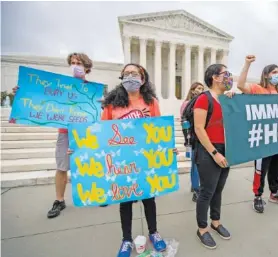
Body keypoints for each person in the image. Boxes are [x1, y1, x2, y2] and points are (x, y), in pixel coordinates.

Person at [12, 53, 108, 218]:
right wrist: (22, 92)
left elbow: (104, 111)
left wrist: (104, 103)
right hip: (65, 133)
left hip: (88, 133)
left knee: (93, 164)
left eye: (79, 63)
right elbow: (38, 96)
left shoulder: (95, 90)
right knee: (62, 166)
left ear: (87, 68)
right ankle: (59, 200)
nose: (75, 65)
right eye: (72, 62)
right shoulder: (61, 86)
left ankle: (97, 194)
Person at [101, 63, 170, 256]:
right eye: (127, 73)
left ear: (143, 79)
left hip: (145, 159)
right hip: (122, 160)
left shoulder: (151, 102)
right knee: (125, 201)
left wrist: (166, 149)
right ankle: (126, 240)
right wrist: (83, 150)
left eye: (135, 73)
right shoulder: (111, 104)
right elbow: (101, 132)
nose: (130, 76)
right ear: (121, 78)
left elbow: (159, 131)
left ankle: (153, 233)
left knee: (149, 198)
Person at [237, 55, 278, 213]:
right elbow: (240, 85)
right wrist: (247, 63)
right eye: (274, 72)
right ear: (266, 74)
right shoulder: (257, 89)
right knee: (261, 169)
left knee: (276, 168)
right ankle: (258, 196)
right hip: (263, 139)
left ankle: (274, 193)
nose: (277, 74)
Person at [194, 64, 233, 249]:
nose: (228, 77)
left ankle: (215, 222)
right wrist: (215, 153)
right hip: (209, 150)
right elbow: (199, 129)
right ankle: (202, 228)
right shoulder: (203, 99)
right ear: (214, 77)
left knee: (218, 189)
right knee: (206, 191)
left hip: (226, 149)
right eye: (225, 74)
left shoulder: (226, 99)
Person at [180, 82, 205, 202]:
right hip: (192, 138)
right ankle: (196, 189)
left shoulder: (202, 102)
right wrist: (187, 140)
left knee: (196, 164)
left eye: (202, 88)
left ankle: (194, 185)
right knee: (195, 164)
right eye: (199, 88)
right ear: (192, 90)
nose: (201, 90)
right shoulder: (186, 104)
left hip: (201, 136)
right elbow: (184, 122)